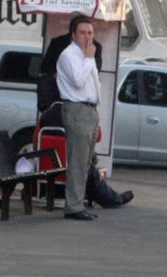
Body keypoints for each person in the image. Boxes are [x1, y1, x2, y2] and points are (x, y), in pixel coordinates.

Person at [56, 16, 102, 222]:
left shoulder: (85, 55)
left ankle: (78, 202)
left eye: (90, 33)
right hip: (76, 109)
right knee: (77, 161)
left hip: (89, 109)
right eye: (83, 33)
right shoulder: (70, 55)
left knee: (85, 161)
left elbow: (93, 83)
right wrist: (89, 58)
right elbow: (77, 80)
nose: (87, 37)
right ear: (74, 35)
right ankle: (73, 206)